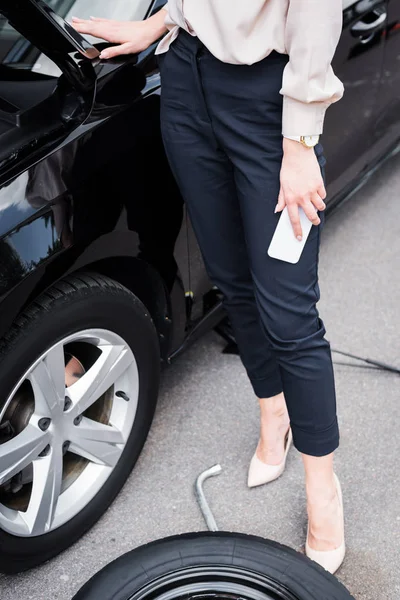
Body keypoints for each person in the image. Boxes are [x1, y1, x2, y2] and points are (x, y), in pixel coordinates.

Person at [73, 0, 346, 573]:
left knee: (289, 313)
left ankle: (322, 487)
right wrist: (162, 20)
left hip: (269, 101)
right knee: (231, 282)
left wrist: (299, 141)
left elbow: (317, 13)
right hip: (186, 82)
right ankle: (273, 413)